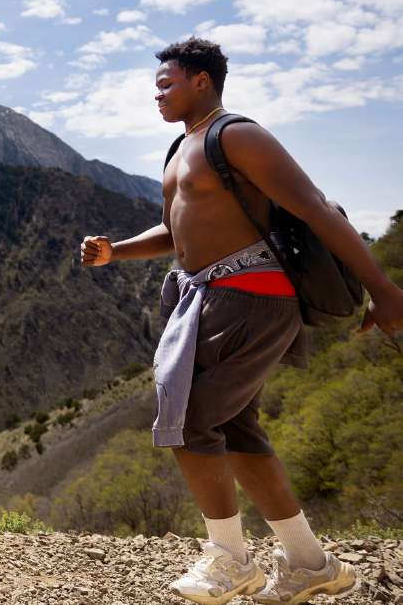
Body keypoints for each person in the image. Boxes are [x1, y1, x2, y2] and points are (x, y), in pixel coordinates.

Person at [80, 38, 403, 605]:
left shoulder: (238, 137)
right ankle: (308, 562)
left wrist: (384, 289)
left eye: (166, 84)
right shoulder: (182, 148)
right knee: (231, 427)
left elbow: (315, 208)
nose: (156, 95)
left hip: (252, 295)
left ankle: (230, 560)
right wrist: (117, 251)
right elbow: (180, 234)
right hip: (208, 297)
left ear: (201, 80)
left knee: (189, 418)